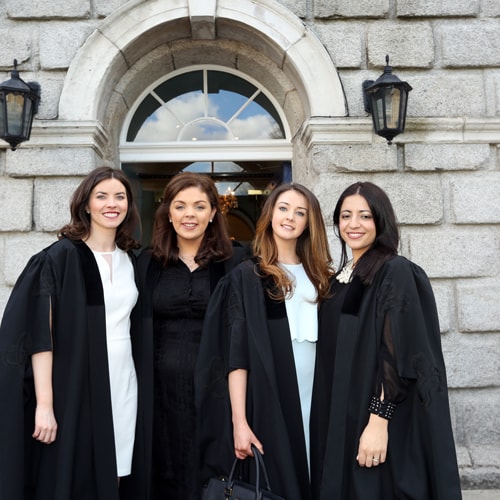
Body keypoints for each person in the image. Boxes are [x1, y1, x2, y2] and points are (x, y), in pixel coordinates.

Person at [0, 166, 149, 500]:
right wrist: (45, 404)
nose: (112, 204)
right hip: (74, 383)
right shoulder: (60, 258)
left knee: (119, 469)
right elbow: (42, 336)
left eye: (120, 197)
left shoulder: (132, 261)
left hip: (124, 382)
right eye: (102, 196)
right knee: (76, 474)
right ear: (86, 205)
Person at [310, 181, 462, 499]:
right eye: (345, 215)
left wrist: (379, 422)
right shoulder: (340, 278)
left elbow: (397, 353)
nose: (353, 224)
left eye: (364, 216)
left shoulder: (395, 271)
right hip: (342, 415)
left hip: (375, 416)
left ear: (381, 221)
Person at [196, 182, 334, 500]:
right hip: (271, 399)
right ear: (270, 214)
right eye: (283, 208)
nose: (290, 217)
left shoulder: (322, 276)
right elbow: (237, 357)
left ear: (309, 222)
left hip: (319, 397)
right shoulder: (250, 276)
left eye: (300, 212)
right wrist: (240, 421)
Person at [137, 172, 248, 500]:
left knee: (215, 478)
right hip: (158, 395)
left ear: (214, 213)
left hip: (217, 394)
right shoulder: (147, 263)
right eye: (181, 206)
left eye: (199, 206)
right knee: (163, 475)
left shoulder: (236, 262)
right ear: (168, 212)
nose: (190, 214)